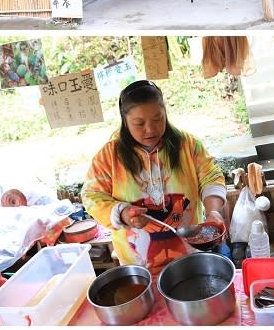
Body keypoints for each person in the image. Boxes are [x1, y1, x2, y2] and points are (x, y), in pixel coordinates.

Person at [81, 80, 227, 272]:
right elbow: (91, 196)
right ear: (125, 121)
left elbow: (211, 177)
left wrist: (213, 212)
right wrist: (123, 213)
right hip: (138, 263)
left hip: (190, 253)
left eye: (158, 119)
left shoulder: (187, 145)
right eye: (139, 123)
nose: (150, 129)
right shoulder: (109, 156)